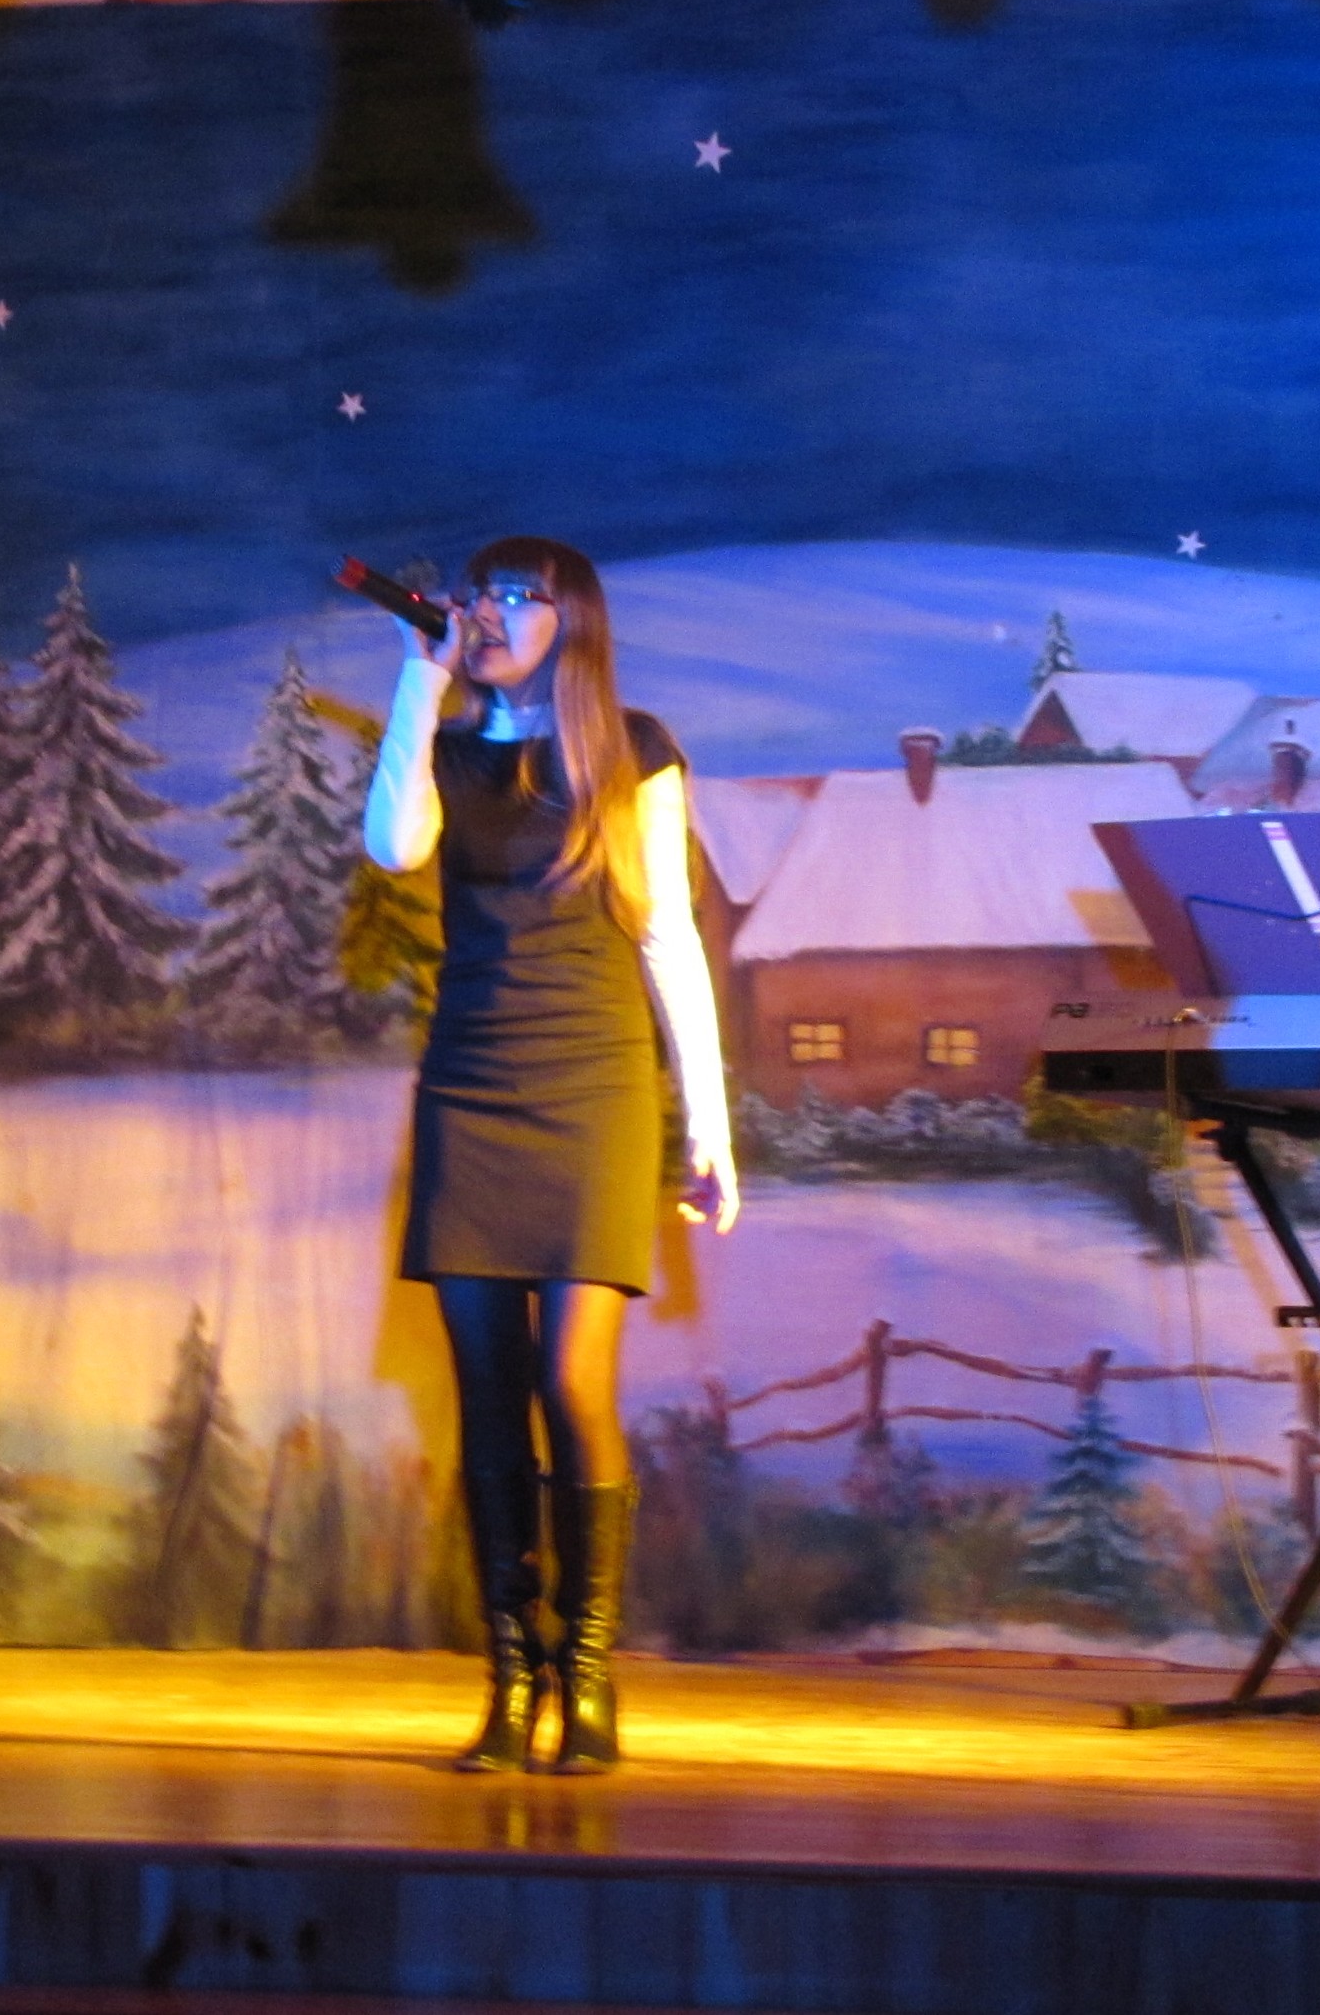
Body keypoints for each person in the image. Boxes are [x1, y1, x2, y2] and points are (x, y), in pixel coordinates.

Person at [361, 536, 738, 1775]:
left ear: (572, 618)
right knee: (486, 1393)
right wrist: (419, 677)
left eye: (515, 596)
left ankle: (586, 1669)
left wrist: (709, 1128)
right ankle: (510, 1674)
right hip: (472, 1083)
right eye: (477, 594)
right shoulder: (451, 750)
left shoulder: (634, 748)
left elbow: (670, 938)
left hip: (594, 1084)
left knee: (572, 1385)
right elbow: (391, 846)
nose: (485, 611)